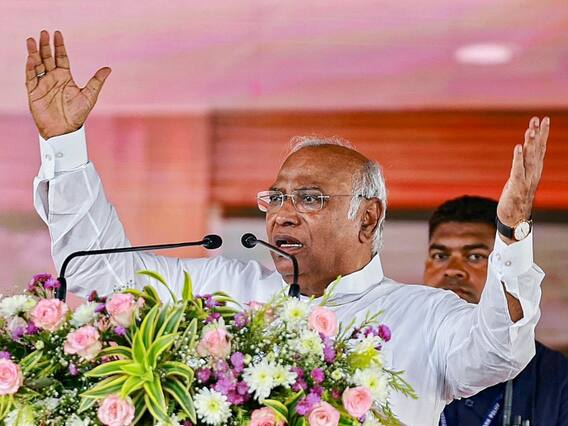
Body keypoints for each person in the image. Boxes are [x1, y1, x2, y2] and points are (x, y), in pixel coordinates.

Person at [25, 30, 549, 425]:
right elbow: (100, 274)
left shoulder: (426, 317)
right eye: (275, 198)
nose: (282, 214)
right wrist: (64, 145)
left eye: (310, 199)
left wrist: (511, 234)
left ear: (367, 217)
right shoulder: (223, 289)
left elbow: (499, 350)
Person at [424, 195, 568, 425]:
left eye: (475, 256)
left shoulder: (555, 376)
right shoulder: (392, 354)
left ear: (507, 269)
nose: (452, 270)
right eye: (440, 256)